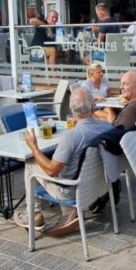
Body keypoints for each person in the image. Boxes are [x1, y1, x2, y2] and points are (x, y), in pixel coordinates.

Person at [16, 88, 112, 236]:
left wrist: (33, 146)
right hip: (99, 185)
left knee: (30, 163)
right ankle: (69, 213)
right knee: (67, 162)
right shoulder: (107, 127)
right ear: (93, 107)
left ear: (71, 109)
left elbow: (51, 171)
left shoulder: (72, 136)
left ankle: (33, 214)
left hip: (71, 191)